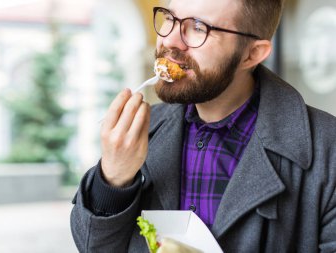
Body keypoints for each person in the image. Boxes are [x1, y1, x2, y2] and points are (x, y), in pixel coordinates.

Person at [70, 0, 336, 252]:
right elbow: (93, 245)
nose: (169, 41)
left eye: (198, 27)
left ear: (252, 54)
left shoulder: (328, 149)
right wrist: (113, 179)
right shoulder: (142, 133)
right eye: (169, 19)